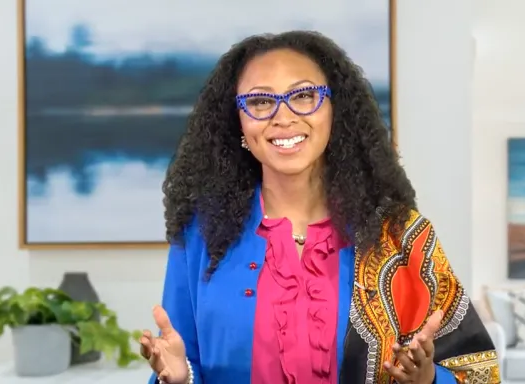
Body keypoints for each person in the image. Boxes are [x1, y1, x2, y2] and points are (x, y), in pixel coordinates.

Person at [139, 30, 500, 384]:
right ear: (238, 122)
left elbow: (478, 372)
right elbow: (182, 360)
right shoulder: (202, 234)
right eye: (261, 101)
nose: (283, 117)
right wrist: (179, 379)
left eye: (304, 95)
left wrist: (427, 379)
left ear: (334, 111)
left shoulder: (400, 235)